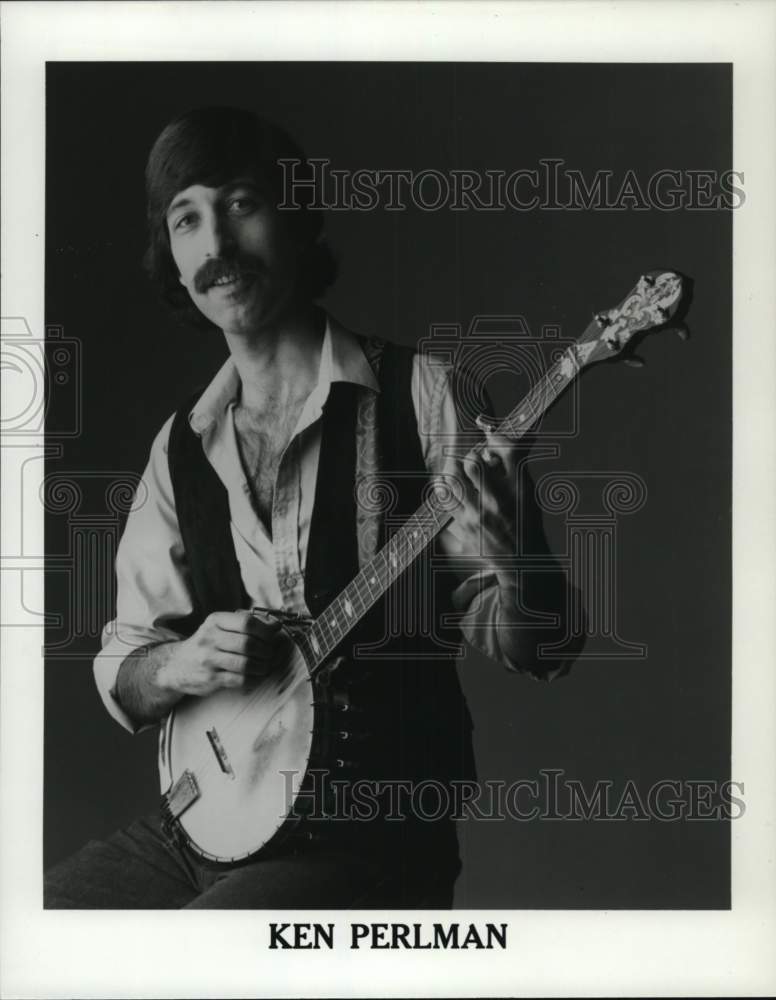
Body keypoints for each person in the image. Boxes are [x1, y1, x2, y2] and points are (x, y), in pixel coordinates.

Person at [44, 107, 581, 909]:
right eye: (187, 219)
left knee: (193, 958)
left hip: (371, 843)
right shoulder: (179, 449)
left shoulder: (420, 397)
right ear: (173, 256)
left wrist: (522, 559)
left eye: (240, 204)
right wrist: (182, 663)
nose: (217, 246)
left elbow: (534, 646)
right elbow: (125, 672)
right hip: (201, 828)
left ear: (294, 217)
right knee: (42, 931)